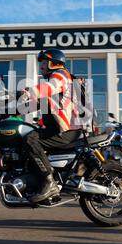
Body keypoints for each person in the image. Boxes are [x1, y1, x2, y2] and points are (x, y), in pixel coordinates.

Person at [23, 49, 82, 203]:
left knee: (30, 139)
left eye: (44, 62)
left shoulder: (61, 75)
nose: (41, 65)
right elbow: (33, 105)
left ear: (54, 63)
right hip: (59, 129)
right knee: (27, 136)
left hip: (67, 130)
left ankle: (49, 183)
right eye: (41, 62)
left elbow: (50, 87)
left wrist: (29, 91)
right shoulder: (52, 85)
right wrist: (4, 109)